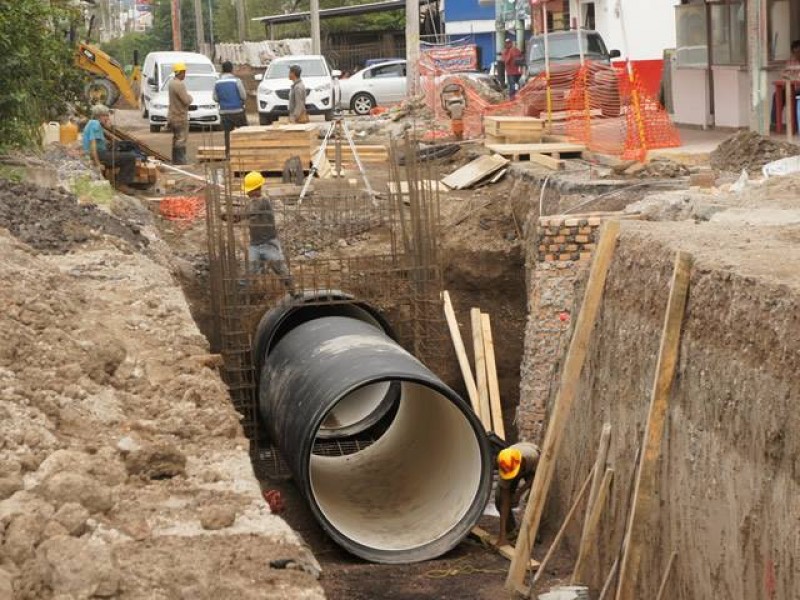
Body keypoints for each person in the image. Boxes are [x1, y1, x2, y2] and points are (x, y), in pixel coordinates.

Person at [242, 171, 295, 292]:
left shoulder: (264, 201)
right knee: (250, 270)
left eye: (249, 190)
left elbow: (249, 213)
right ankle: (239, 295)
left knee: (279, 267)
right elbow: (245, 215)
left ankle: (293, 291)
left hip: (269, 243)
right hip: (255, 244)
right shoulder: (250, 203)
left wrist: (235, 215)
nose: (247, 192)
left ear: (256, 189)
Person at [82, 104, 138, 193]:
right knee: (130, 157)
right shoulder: (95, 124)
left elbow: (99, 142)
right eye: (106, 116)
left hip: (99, 152)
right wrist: (97, 163)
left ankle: (118, 182)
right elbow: (93, 145)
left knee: (118, 149)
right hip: (99, 154)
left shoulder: (93, 123)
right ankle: (121, 185)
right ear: (100, 116)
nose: (108, 118)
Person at [495, 442, 541, 548]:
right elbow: (504, 499)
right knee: (499, 498)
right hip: (516, 465)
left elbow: (536, 477)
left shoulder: (533, 457)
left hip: (533, 470)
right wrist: (502, 536)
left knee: (534, 497)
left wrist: (519, 493)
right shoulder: (505, 463)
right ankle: (510, 531)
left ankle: (532, 533)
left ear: (520, 465)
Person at [213, 60, 248, 158]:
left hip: (224, 112)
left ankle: (228, 154)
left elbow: (215, 98)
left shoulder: (217, 83)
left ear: (222, 70)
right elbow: (244, 96)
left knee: (227, 134)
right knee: (244, 132)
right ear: (231, 69)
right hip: (238, 111)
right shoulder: (236, 81)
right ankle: (244, 151)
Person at [168, 62, 193, 165]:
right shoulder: (179, 84)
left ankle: (175, 161)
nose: (185, 74)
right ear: (180, 72)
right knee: (181, 139)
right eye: (184, 72)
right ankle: (181, 162)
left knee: (176, 138)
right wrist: (190, 97)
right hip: (180, 116)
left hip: (173, 116)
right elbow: (186, 100)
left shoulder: (171, 83)